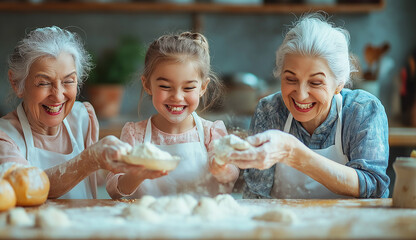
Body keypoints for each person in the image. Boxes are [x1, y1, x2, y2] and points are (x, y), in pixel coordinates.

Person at [229, 13, 390, 199]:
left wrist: (294, 153)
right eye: (290, 79)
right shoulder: (270, 111)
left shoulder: (362, 110)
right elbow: (257, 194)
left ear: (339, 83)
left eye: (315, 83)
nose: (301, 94)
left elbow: (373, 185)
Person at [0, 26, 145, 199]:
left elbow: (94, 183)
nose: (58, 96)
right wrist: (89, 160)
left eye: (68, 81)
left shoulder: (82, 118)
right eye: (43, 83)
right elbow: (27, 189)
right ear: (16, 83)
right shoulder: (1, 139)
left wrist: (132, 171)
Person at [106, 32, 239, 199]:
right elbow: (113, 189)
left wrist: (223, 170)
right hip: (149, 222)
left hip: (202, 222)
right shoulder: (135, 135)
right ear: (147, 85)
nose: (177, 97)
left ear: (203, 88)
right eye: (165, 86)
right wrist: (136, 175)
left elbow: (232, 173)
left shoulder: (211, 132)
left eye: (188, 88)